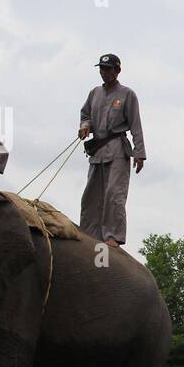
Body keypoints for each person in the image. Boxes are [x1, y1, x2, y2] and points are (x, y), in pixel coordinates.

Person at [79, 53, 146, 248]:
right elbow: (85, 114)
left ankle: (112, 235)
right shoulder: (94, 93)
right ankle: (89, 233)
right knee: (90, 195)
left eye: (108, 69)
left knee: (113, 194)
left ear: (117, 70)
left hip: (118, 148)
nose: (104, 73)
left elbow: (136, 125)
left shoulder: (127, 94)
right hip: (98, 150)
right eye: (101, 69)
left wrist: (139, 153)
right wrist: (85, 125)